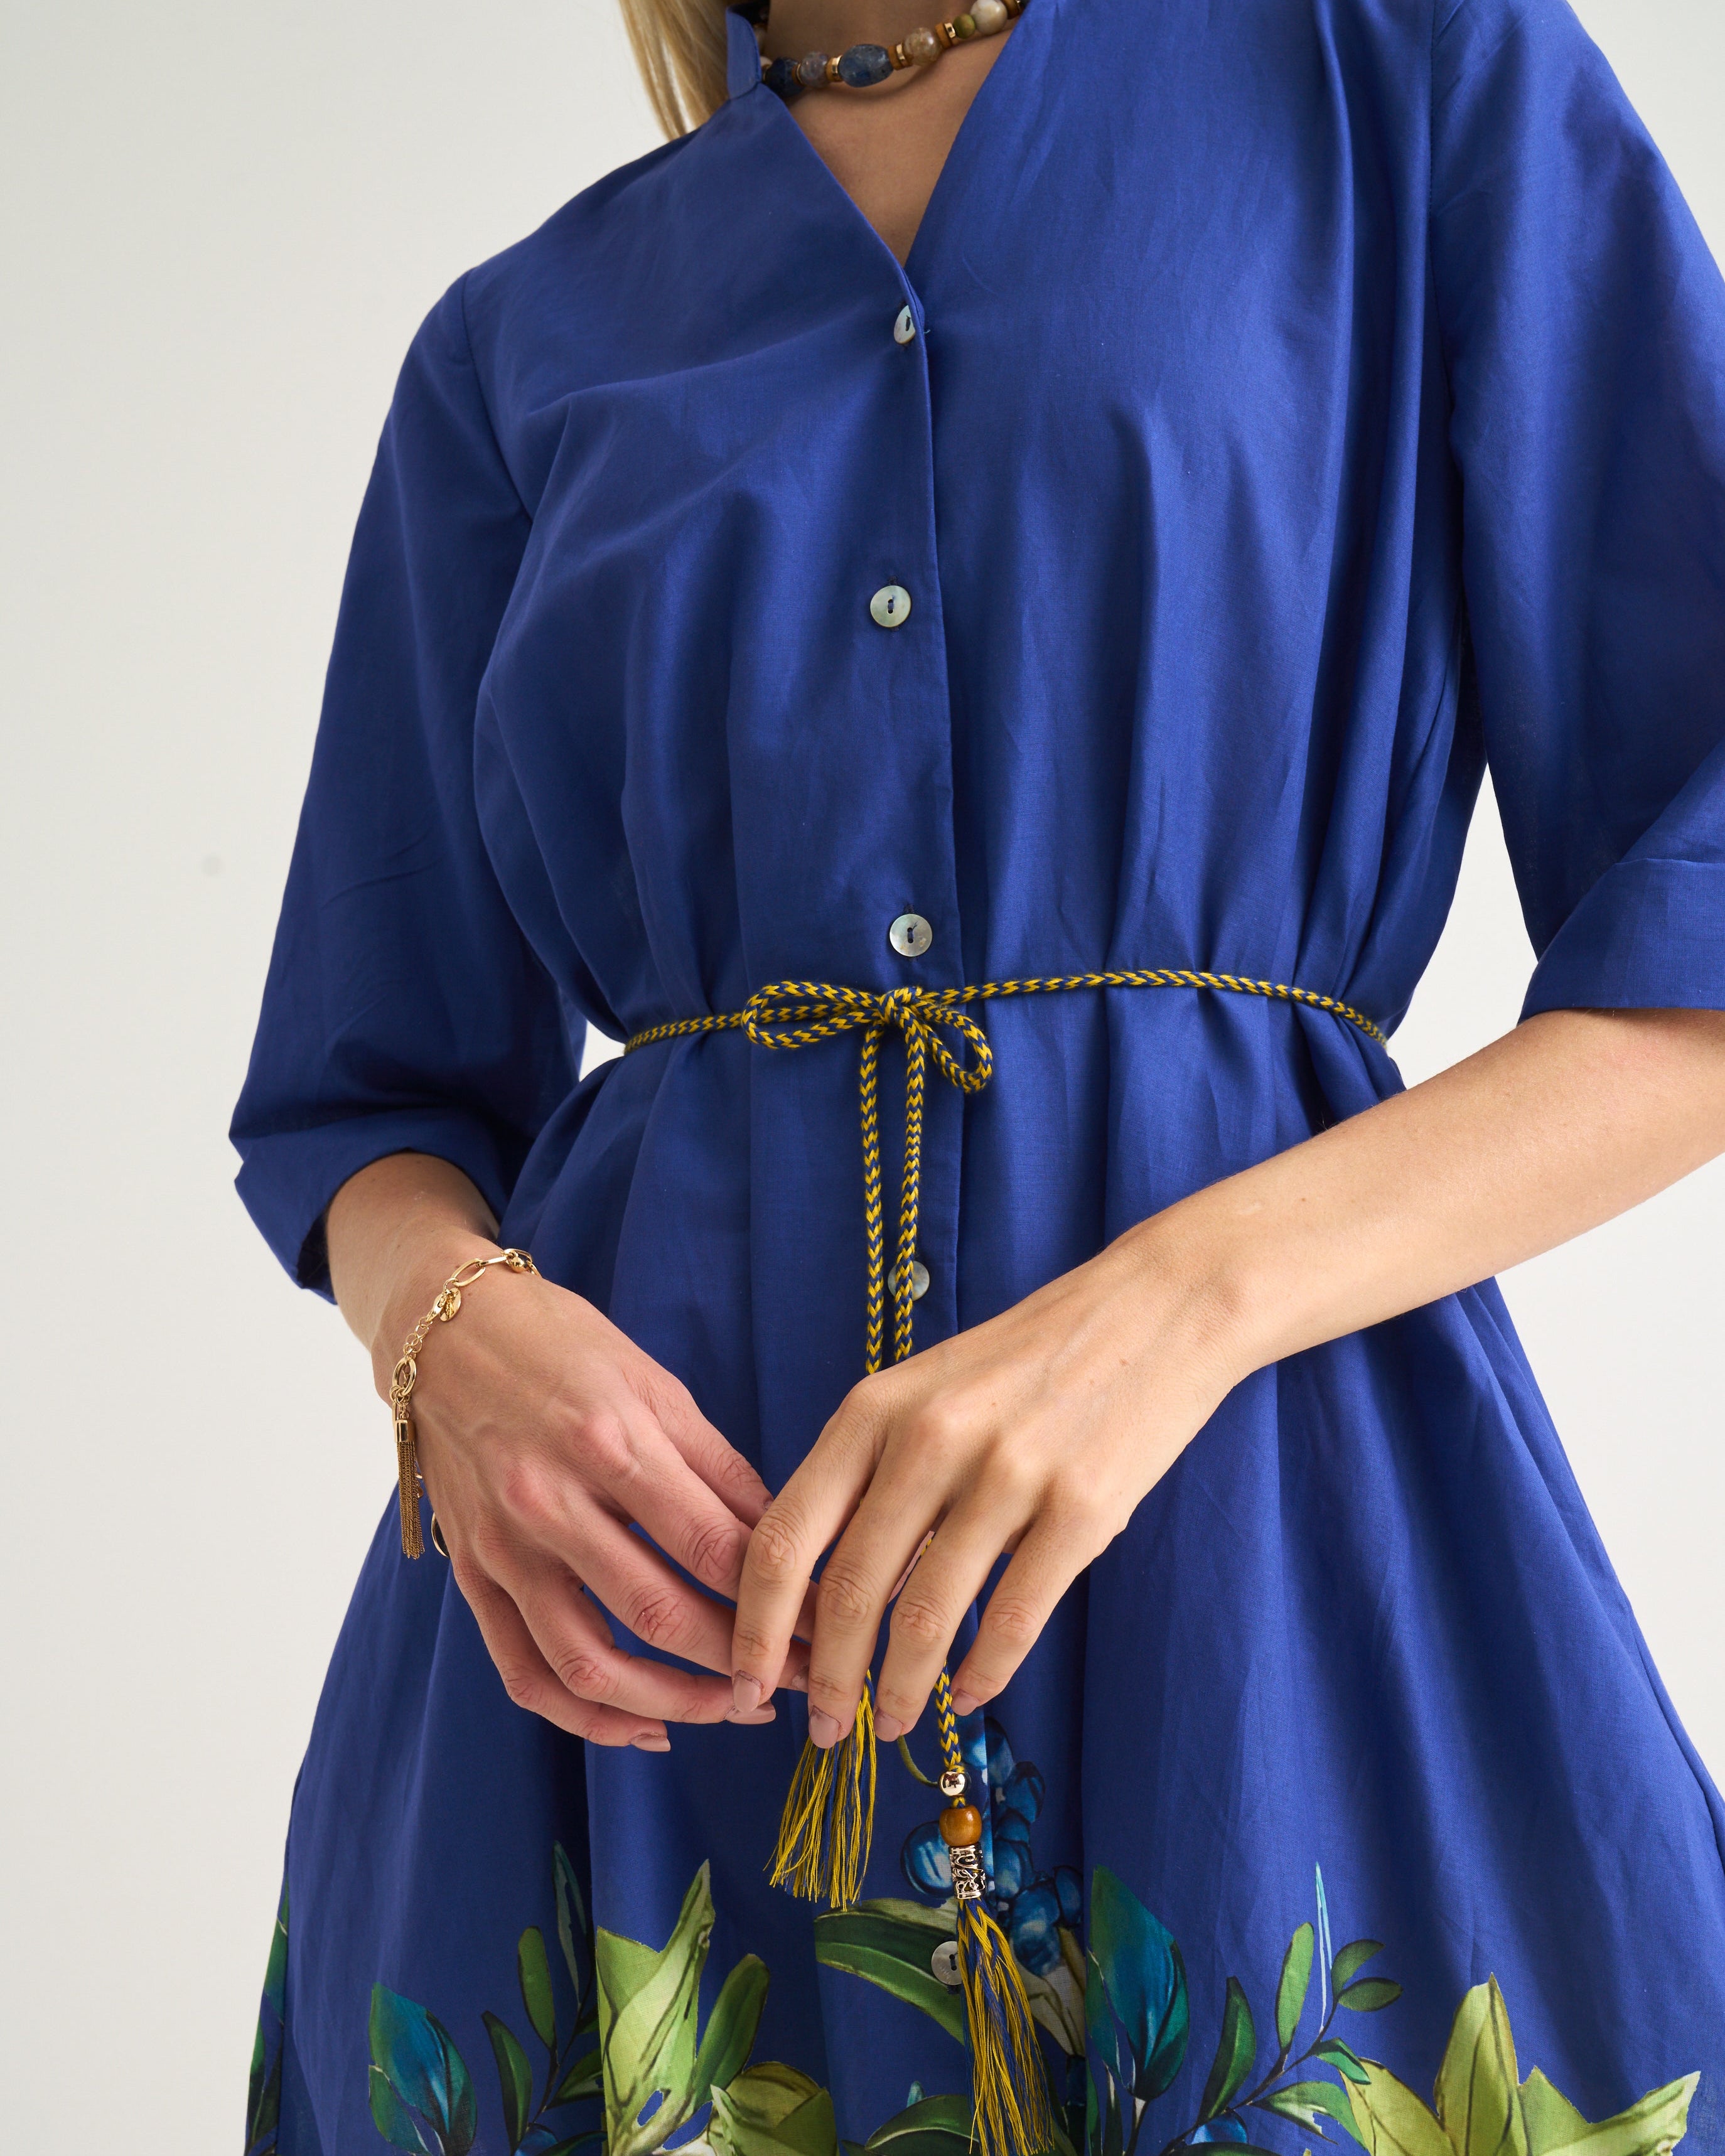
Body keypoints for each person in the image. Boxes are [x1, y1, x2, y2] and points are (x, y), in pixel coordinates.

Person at [232, 0, 1725, 2149]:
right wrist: (443, 1334)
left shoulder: (1398, 77)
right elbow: (362, 1090)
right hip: (631, 1685)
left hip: (1269, 1593)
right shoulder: (515, 344)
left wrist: (1165, 1310)